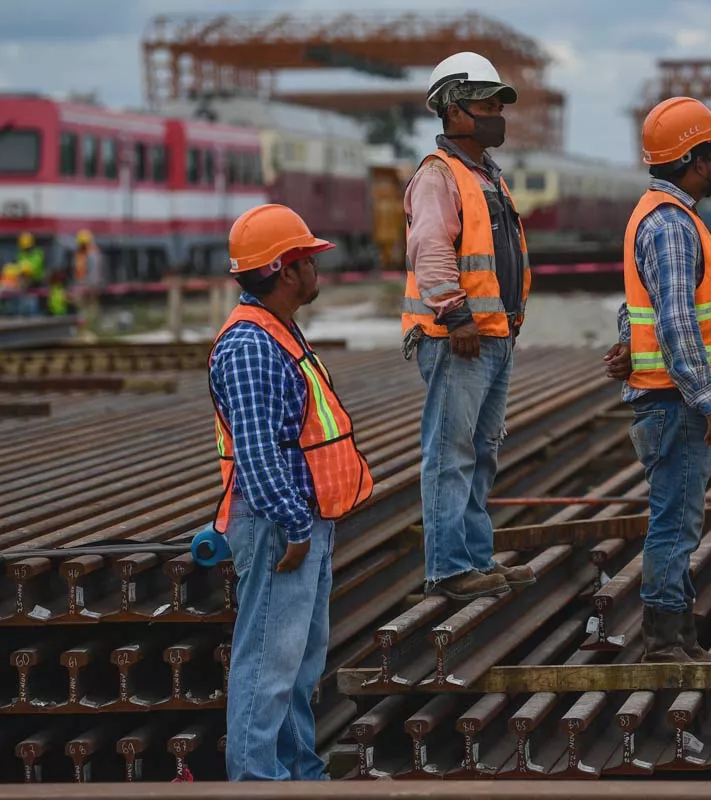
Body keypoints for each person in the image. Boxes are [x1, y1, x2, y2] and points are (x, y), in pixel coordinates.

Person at [209, 203, 374, 781]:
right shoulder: (253, 345)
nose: (315, 269)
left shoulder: (277, 330)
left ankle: (298, 773)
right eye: (308, 259)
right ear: (284, 269)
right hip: (282, 525)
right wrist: (297, 528)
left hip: (303, 522)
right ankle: (257, 782)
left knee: (299, 664)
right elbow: (257, 455)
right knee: (267, 666)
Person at [604, 97, 711, 663]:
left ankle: (679, 639)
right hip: (676, 403)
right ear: (695, 159)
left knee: (679, 518)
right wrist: (707, 395)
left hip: (668, 398)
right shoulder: (672, 225)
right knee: (675, 522)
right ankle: (664, 643)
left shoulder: (658, 214)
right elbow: (675, 321)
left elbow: (642, 306)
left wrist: (627, 342)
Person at [400, 51, 534, 601]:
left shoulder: (486, 177)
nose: (495, 113)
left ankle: (476, 559)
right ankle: (449, 570)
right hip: (458, 338)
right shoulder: (438, 176)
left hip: (491, 335)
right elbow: (430, 249)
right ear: (452, 110)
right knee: (451, 454)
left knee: (481, 452)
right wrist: (456, 315)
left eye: (498, 104)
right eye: (484, 103)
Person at [72, 229, 103, 326]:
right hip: (81, 284)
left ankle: (92, 325)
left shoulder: (91, 253)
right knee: (82, 307)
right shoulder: (79, 253)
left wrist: (91, 285)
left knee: (91, 306)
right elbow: (77, 269)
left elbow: (93, 271)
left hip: (89, 285)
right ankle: (85, 326)